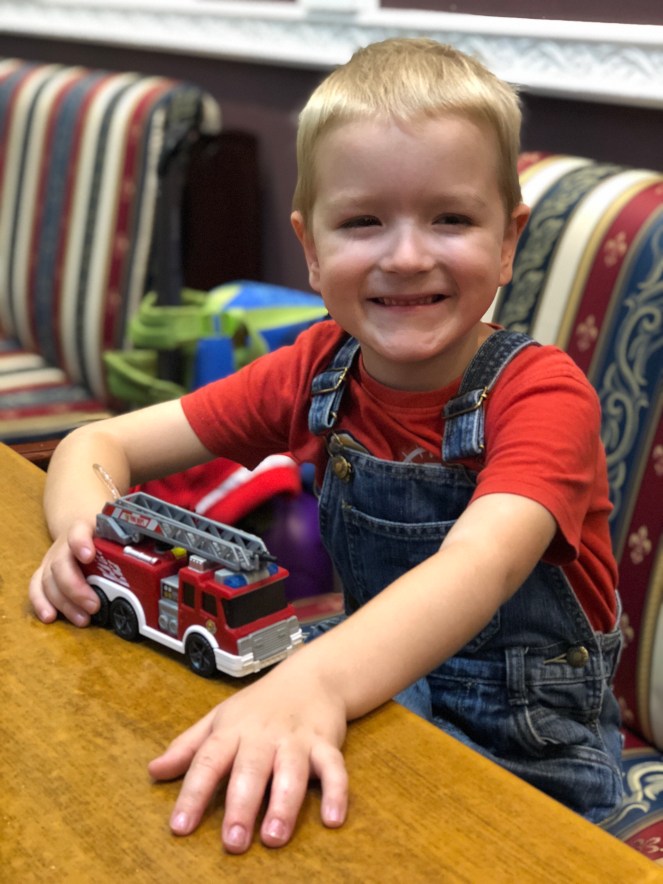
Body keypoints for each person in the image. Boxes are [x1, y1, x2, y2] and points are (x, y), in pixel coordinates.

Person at [29, 38, 624, 854]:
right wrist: (86, 537)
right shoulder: (316, 367)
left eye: (450, 218)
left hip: (530, 751)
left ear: (507, 240)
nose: (406, 256)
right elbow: (95, 441)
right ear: (311, 249)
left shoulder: (542, 395)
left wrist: (310, 683)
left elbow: (475, 567)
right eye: (362, 221)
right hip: (371, 690)